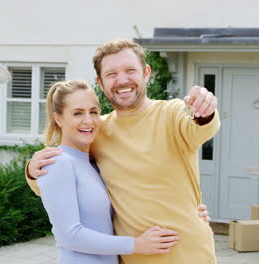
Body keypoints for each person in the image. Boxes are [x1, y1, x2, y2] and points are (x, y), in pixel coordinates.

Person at [27, 39, 220, 264]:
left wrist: (204, 111)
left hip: (187, 255)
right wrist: (32, 171)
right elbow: (63, 179)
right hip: (132, 258)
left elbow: (201, 126)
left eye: (130, 70)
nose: (122, 80)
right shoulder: (96, 132)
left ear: (146, 73)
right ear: (100, 82)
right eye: (111, 74)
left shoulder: (172, 114)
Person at [37, 80, 180, 264]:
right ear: (58, 118)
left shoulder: (92, 163)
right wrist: (136, 244)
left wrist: (189, 208)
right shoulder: (58, 162)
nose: (88, 120)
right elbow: (69, 236)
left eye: (93, 112)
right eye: (78, 113)